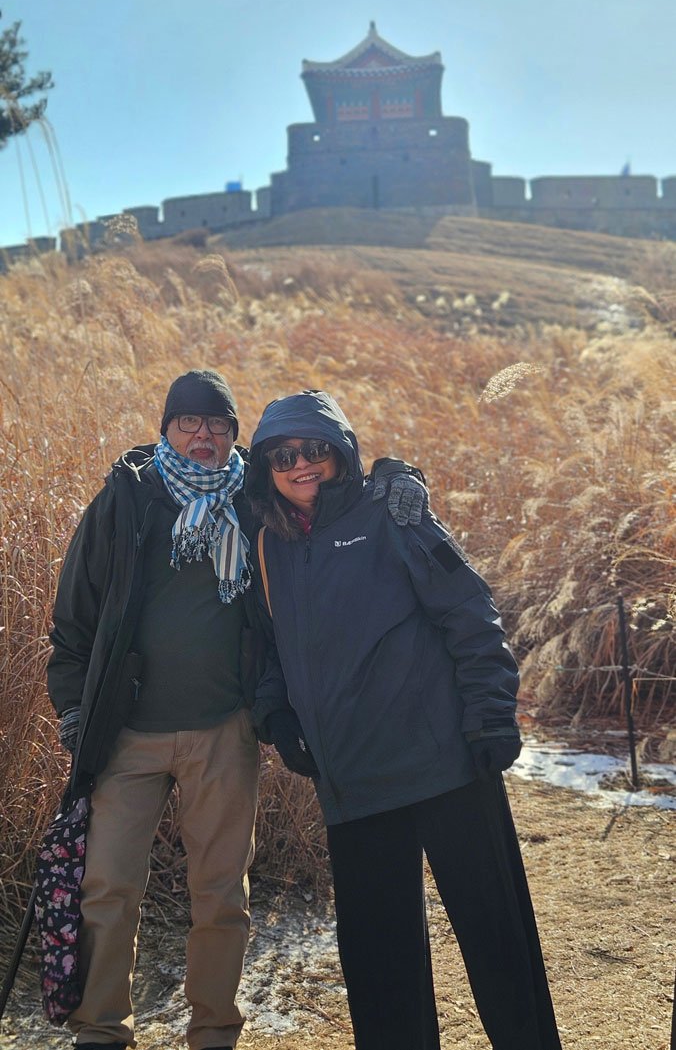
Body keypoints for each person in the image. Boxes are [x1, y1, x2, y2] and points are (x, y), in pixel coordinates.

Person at [46, 369, 425, 1050]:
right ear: (166, 428)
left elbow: (335, 493)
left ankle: (214, 1032)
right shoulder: (126, 500)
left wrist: (401, 476)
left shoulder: (256, 498)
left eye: (218, 423)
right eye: (189, 421)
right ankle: (100, 1031)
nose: (204, 434)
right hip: (126, 734)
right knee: (107, 888)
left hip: (225, 729)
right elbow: (72, 620)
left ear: (232, 434)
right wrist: (75, 712)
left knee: (221, 896)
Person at [246, 389, 562, 1050]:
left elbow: (470, 611)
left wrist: (492, 716)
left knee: (499, 946)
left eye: (314, 449)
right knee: (383, 980)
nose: (300, 464)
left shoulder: (391, 512)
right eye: (283, 455)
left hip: (447, 763)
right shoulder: (269, 545)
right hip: (355, 788)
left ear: (340, 451)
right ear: (266, 467)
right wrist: (277, 713)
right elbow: (269, 643)